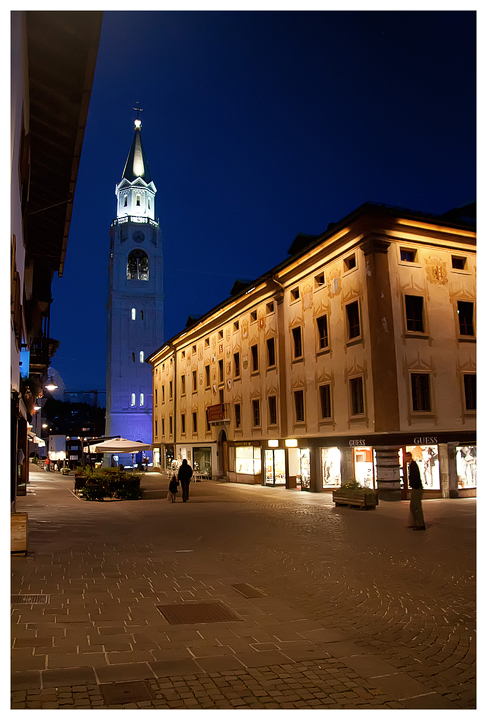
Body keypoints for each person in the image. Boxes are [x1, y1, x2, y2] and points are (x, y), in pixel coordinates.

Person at [406, 451, 426, 530]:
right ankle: (414, 523)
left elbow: (415, 477)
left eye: (406, 457)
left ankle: (421, 524)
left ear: (409, 457)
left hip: (417, 488)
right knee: (413, 506)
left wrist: (414, 486)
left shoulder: (413, 465)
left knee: (416, 506)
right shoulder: (411, 465)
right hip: (415, 487)